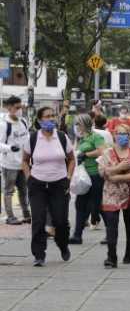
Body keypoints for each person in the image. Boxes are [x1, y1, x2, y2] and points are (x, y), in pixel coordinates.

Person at [22, 107, 74, 266]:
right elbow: (24, 161)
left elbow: (71, 159)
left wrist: (68, 178)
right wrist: (29, 177)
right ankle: (39, 254)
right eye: (47, 116)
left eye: (53, 116)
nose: (51, 119)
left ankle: (63, 244)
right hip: (37, 184)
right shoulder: (32, 138)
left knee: (60, 221)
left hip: (59, 184)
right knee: (38, 220)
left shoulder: (62, 137)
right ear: (39, 120)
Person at [99, 124, 130, 268]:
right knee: (111, 224)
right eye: (118, 133)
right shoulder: (107, 152)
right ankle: (111, 256)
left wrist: (116, 177)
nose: (121, 136)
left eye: (124, 133)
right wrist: (119, 168)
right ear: (114, 135)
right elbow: (102, 172)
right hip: (110, 194)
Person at [69, 115, 105, 243]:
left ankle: (110, 233)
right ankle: (77, 235)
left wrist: (86, 154)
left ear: (84, 124)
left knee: (97, 205)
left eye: (78, 124)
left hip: (95, 174)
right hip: (84, 176)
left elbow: (102, 151)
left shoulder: (95, 136)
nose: (76, 127)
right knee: (80, 204)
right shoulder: (81, 139)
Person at [0, 96, 31, 224]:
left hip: (22, 163)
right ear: (9, 108)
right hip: (9, 164)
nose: (20, 110)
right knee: (9, 191)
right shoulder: (3, 124)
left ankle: (26, 214)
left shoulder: (23, 121)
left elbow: (27, 138)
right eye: (17, 108)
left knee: (24, 190)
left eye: (21, 107)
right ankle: (10, 216)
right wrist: (9, 148)